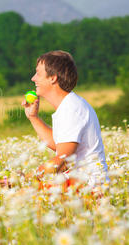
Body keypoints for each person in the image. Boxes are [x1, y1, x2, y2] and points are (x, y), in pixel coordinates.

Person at [23, 50, 109, 190]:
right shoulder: (68, 105)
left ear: (53, 78)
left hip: (88, 188)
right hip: (79, 182)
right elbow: (60, 145)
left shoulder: (71, 109)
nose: (33, 78)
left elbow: (63, 161)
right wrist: (33, 117)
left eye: (38, 73)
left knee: (22, 196)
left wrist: (25, 179)